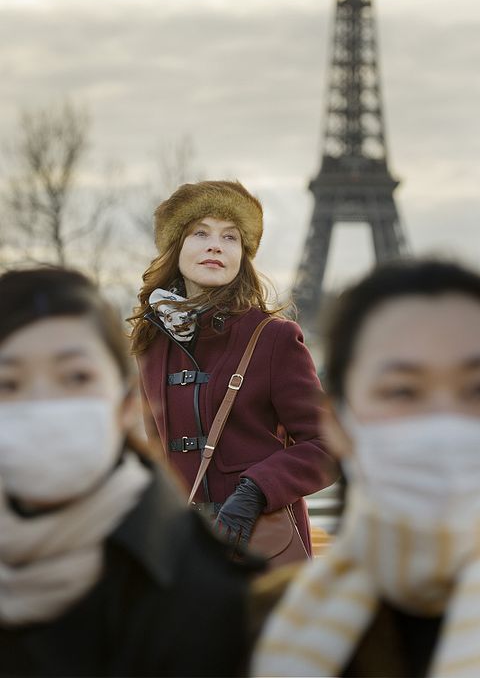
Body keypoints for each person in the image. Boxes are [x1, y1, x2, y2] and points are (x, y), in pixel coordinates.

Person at [0, 266, 260, 678]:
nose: (43, 406)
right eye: (7, 384)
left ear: (124, 405)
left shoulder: (218, 598)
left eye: (76, 377)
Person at [253, 258, 480, 678]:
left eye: (477, 389)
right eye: (402, 391)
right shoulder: (238, 633)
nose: (443, 420)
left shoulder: (267, 633)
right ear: (338, 424)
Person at [129, 180, 336, 556]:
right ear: (176, 249)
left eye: (230, 237)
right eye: (200, 233)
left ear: (242, 254)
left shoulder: (273, 338)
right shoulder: (152, 344)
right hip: (184, 553)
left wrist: (257, 489)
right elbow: (156, 456)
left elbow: (330, 444)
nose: (215, 245)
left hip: (262, 549)